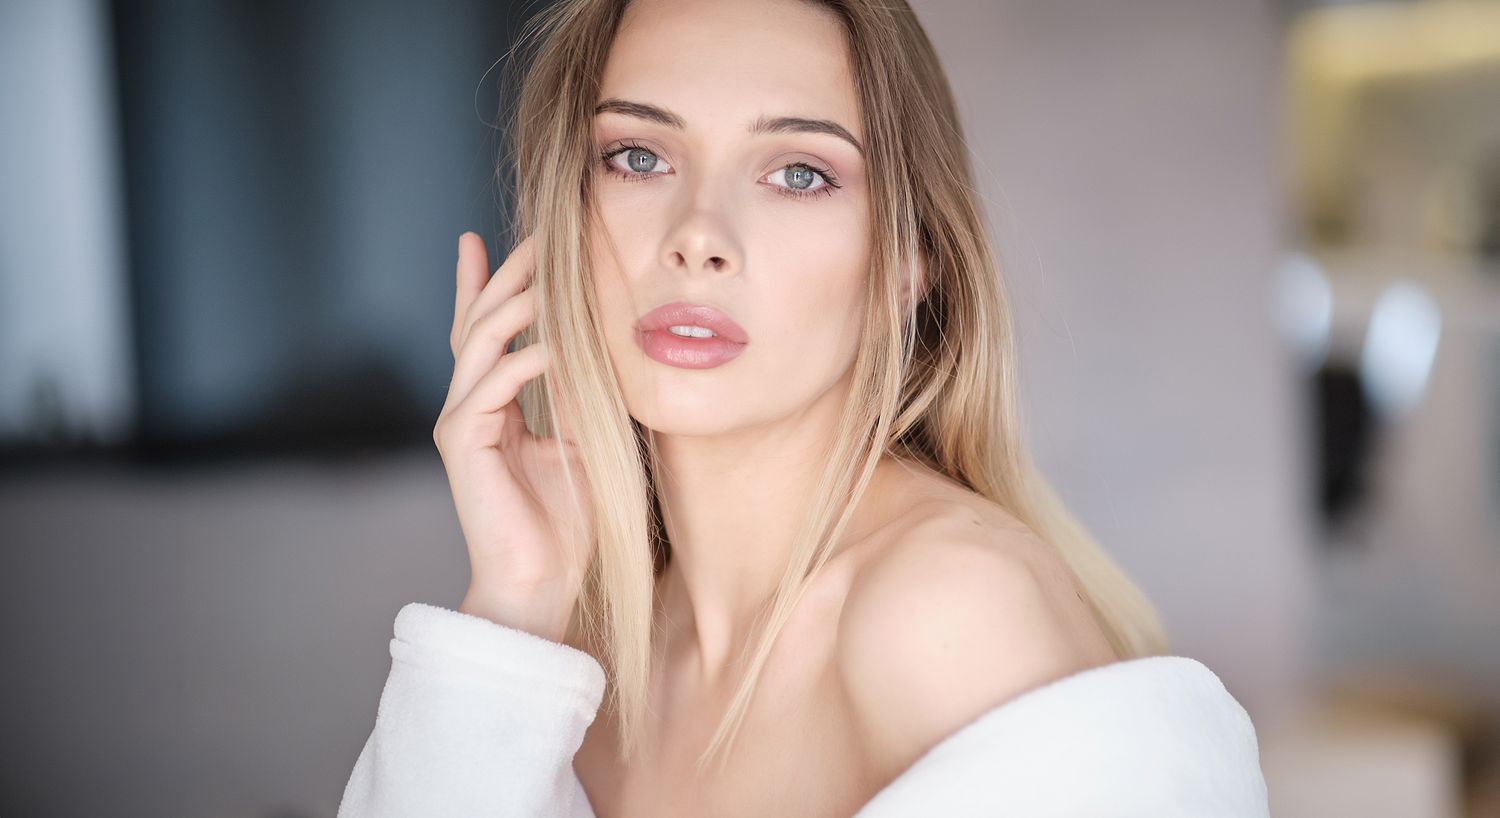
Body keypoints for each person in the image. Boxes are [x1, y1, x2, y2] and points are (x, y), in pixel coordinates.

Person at [337, 0, 1270, 815]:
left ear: (907, 263)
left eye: (798, 174)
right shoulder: (575, 658)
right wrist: (512, 601)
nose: (698, 235)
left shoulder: (947, 614)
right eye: (638, 157)